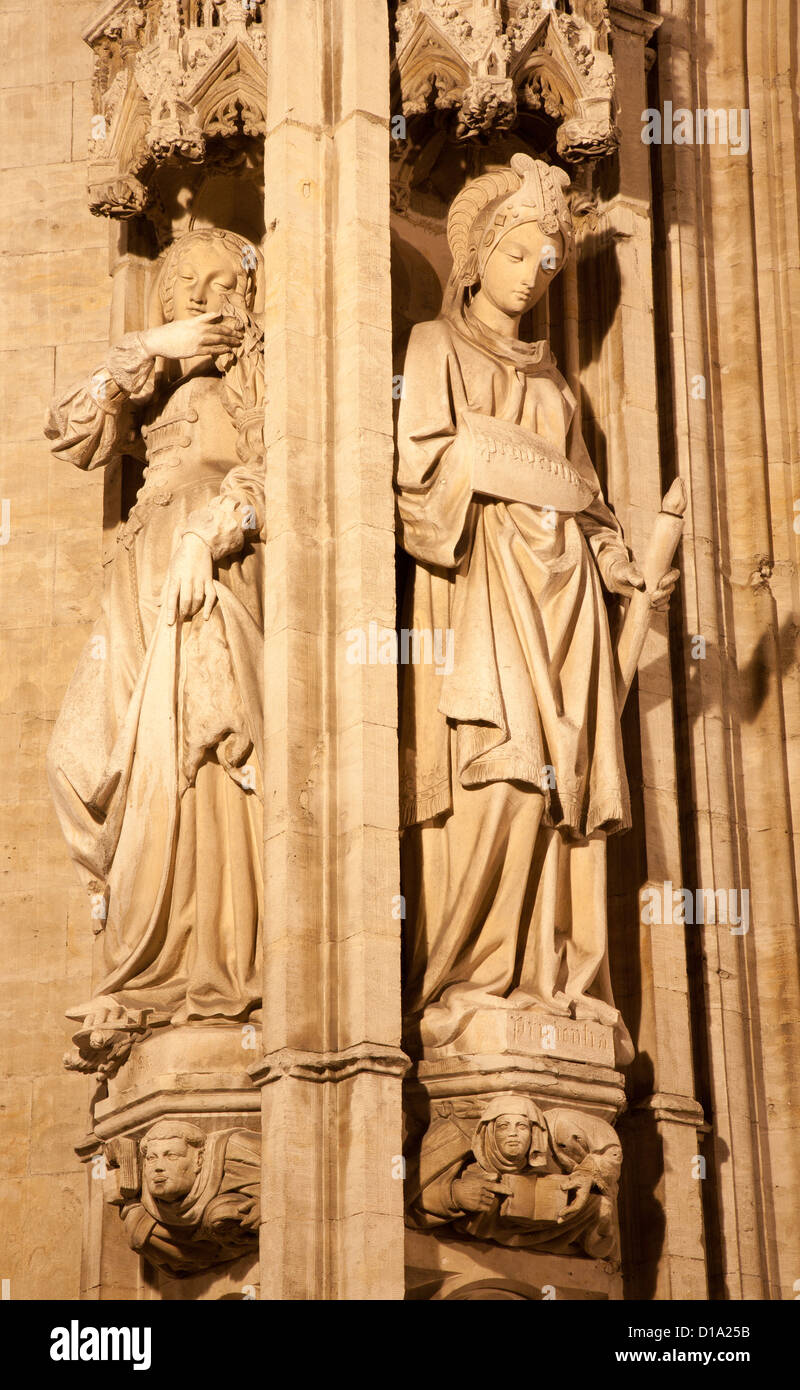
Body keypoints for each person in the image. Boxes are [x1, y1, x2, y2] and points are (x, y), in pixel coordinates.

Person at [395, 155, 678, 1063]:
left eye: (548, 262)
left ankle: (557, 985)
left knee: (567, 799)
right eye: (520, 255)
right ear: (476, 256)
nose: (535, 275)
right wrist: (488, 470)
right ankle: (471, 981)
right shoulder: (433, 349)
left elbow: (588, 500)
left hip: (568, 613)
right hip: (486, 591)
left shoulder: (559, 386)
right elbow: (419, 474)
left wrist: (625, 564)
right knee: (506, 780)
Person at [46, 227, 266, 1061]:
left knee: (200, 756)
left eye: (234, 286)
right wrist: (150, 349)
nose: (220, 302)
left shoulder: (261, 376)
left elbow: (290, 470)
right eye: (199, 287)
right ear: (171, 300)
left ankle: (204, 964)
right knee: (98, 763)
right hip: (138, 576)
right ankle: (144, 954)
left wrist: (212, 533)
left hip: (212, 574)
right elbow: (67, 431)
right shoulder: (155, 375)